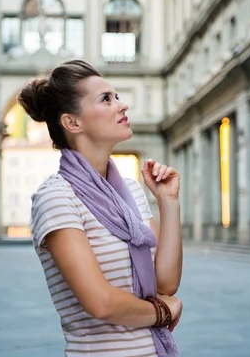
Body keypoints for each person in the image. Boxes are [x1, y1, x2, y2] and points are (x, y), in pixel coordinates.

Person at [17, 60, 183, 357]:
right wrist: (163, 313)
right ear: (73, 123)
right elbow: (100, 302)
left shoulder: (130, 191)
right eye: (106, 99)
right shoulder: (56, 197)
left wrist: (168, 203)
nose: (122, 105)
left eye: (117, 96)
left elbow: (165, 283)